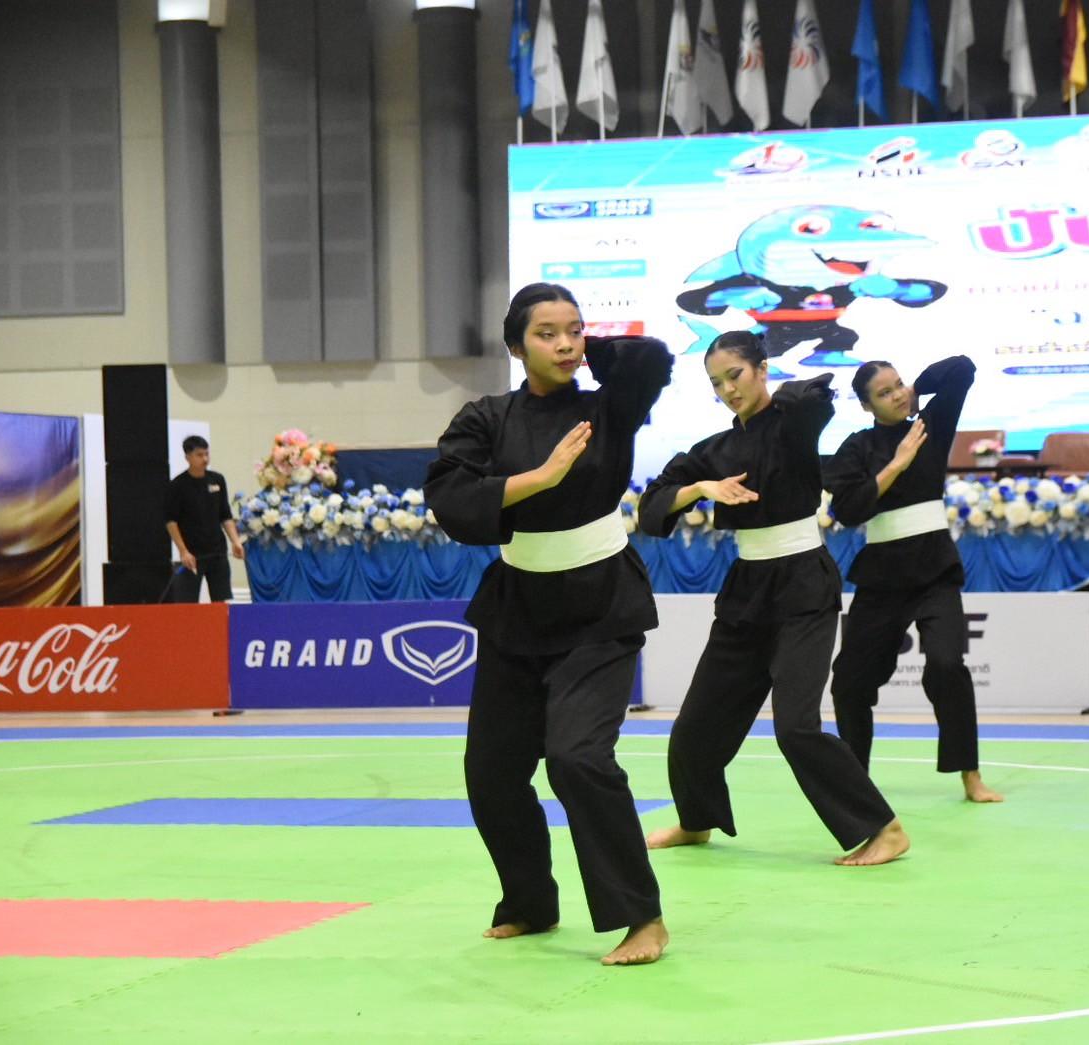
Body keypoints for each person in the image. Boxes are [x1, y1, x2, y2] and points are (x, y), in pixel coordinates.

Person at [424, 283, 672, 966]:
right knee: (491, 772)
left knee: (578, 758)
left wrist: (595, 354)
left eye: (575, 330)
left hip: (600, 606)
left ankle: (641, 917)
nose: (565, 343)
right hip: (518, 609)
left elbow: (651, 358)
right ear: (515, 346)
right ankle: (530, 901)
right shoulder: (485, 417)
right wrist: (541, 476)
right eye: (546, 333)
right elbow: (449, 496)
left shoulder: (608, 406)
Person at [638, 331, 909, 867]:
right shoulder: (712, 452)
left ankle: (884, 828)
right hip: (747, 589)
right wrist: (701, 489)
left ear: (762, 369)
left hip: (804, 582)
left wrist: (781, 394)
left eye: (735, 375)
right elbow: (652, 509)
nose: (728, 390)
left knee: (796, 727)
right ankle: (696, 820)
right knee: (694, 728)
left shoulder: (794, 423)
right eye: (716, 383)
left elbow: (815, 397)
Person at [824, 357, 1001, 804]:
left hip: (935, 571)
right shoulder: (857, 446)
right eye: (884, 393)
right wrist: (896, 465)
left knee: (947, 665)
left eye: (898, 385)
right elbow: (848, 511)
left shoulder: (929, 425)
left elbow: (962, 370)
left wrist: (918, 389)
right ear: (866, 406)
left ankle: (970, 774)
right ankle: (856, 778)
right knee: (849, 681)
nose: (897, 395)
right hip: (882, 577)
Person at [164, 435, 244, 602]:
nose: (205, 459)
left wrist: (235, 541)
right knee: (188, 602)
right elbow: (171, 521)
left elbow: (225, 515)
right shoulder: (177, 485)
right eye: (199, 455)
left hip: (218, 552)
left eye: (207, 454)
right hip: (192, 555)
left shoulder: (217, 480)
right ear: (188, 457)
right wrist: (183, 551)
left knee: (221, 601)